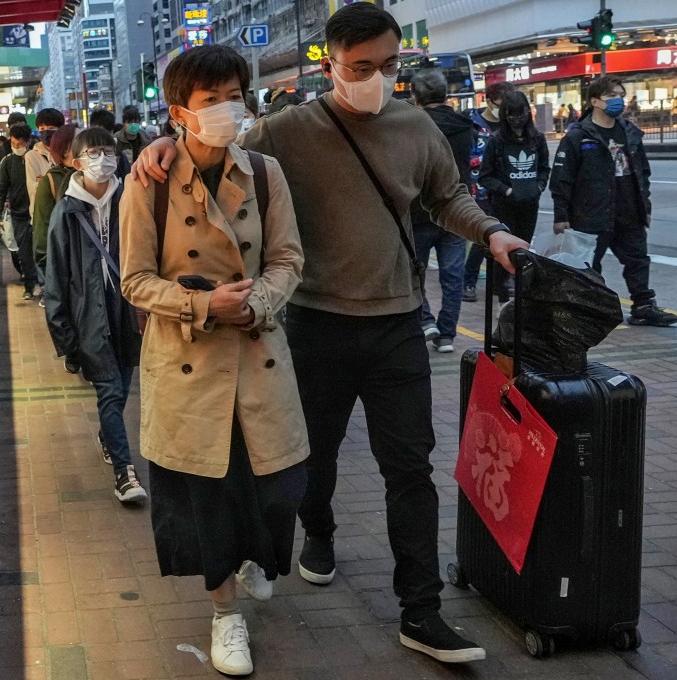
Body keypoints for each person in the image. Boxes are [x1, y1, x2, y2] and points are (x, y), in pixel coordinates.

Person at [131, 3, 531, 664]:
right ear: (331, 65)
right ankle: (317, 532)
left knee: (410, 467)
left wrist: (491, 233)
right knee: (308, 460)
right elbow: (215, 150)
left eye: (389, 64)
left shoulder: (416, 128)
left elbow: (446, 196)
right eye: (361, 67)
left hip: (396, 323)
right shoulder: (290, 131)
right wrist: (162, 146)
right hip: (315, 326)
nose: (376, 78)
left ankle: (420, 609)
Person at [120, 45, 309, 677]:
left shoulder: (264, 173)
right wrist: (202, 307)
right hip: (188, 361)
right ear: (180, 111)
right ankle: (225, 615)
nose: (228, 109)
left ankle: (256, 555)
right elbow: (134, 281)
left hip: (258, 350)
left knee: (281, 488)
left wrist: (254, 304)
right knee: (208, 498)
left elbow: (288, 258)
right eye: (210, 100)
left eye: (234, 94)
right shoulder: (147, 183)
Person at [44, 127, 148, 503]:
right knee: (109, 388)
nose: (101, 160)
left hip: (128, 309)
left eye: (107, 152)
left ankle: (108, 434)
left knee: (120, 386)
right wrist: (66, 341)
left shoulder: (132, 198)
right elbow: (55, 280)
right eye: (92, 153)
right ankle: (125, 473)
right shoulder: (66, 212)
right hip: (88, 314)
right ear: (76, 161)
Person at [551, 76, 677, 327]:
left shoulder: (629, 132)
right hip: (592, 214)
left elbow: (643, 172)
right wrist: (561, 215)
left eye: (621, 94)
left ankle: (643, 306)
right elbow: (562, 178)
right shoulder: (578, 136)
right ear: (595, 101)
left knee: (638, 260)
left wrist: (646, 207)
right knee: (588, 266)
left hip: (629, 210)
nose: (618, 100)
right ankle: (588, 310)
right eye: (612, 96)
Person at [409, 69, 475, 353]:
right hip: (455, 209)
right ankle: (447, 334)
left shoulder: (412, 126)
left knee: (415, 273)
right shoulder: (464, 125)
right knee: (453, 276)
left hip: (418, 210)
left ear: (415, 97)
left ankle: (426, 320)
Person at [479, 89, 549, 308]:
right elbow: (485, 176)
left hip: (530, 204)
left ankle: (521, 296)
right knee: (503, 253)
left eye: (522, 113)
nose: (518, 119)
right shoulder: (497, 141)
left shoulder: (536, 139)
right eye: (512, 114)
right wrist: (506, 191)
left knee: (523, 251)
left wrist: (538, 187)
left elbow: (544, 169)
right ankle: (502, 299)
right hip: (504, 206)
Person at [460, 81, 515, 303]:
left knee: (505, 235)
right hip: (478, 190)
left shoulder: (509, 126)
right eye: (503, 103)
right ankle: (469, 281)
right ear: (490, 101)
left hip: (503, 190)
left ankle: (499, 281)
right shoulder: (472, 125)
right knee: (483, 238)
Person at [33, 124, 79, 314]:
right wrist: (48, 277)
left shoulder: (94, 177)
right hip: (64, 266)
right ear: (64, 149)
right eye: (78, 142)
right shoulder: (50, 181)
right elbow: (42, 231)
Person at [0, 123, 41, 300]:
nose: (16, 148)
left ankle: (43, 285)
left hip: (38, 213)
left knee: (41, 251)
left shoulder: (36, 159)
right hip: (19, 214)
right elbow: (0, 190)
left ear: (28, 142)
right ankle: (30, 286)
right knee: (25, 253)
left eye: (20, 145)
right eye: (13, 144)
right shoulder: (8, 162)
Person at [24, 108, 65, 219]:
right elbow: (35, 190)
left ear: (61, 130)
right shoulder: (31, 156)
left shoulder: (68, 153)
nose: (46, 132)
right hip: (42, 216)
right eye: (42, 129)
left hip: (65, 215)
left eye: (51, 128)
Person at [89, 108, 132, 179]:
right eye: (99, 132)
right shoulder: (86, 155)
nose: (104, 138)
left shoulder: (120, 156)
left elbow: (127, 178)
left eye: (108, 133)